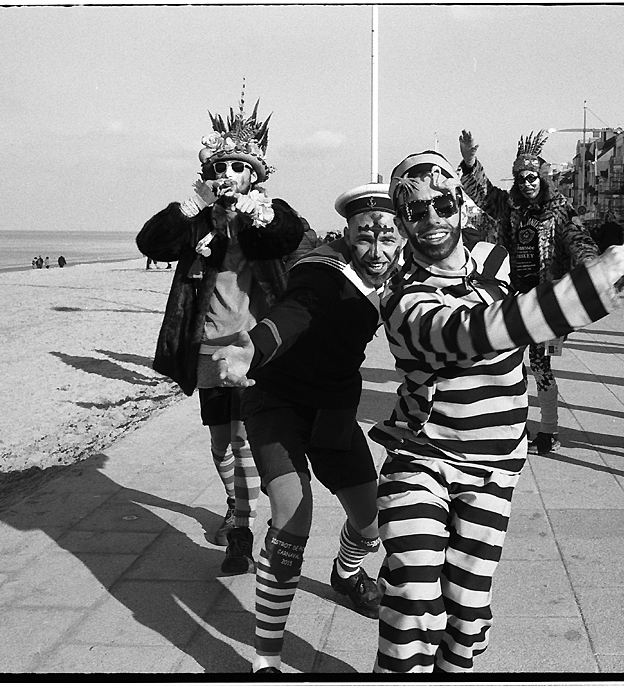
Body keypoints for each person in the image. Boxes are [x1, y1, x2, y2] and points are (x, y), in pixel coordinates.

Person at [370, 150, 624, 673]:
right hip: (421, 455)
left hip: (495, 462)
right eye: (414, 211)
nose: (431, 219)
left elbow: (530, 310)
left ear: (460, 202)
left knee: (468, 611)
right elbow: (472, 333)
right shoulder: (402, 293)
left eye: (442, 203)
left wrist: (595, 283)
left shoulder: (494, 260)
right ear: (401, 219)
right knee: (412, 597)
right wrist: (589, 286)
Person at [210, 183, 403, 674]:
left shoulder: (404, 272)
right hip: (278, 404)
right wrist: (251, 347)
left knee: (374, 523)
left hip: (335, 412)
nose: (376, 250)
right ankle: (266, 658)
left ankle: (346, 573)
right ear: (347, 233)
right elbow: (295, 312)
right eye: (364, 237)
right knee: (293, 524)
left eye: (388, 235)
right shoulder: (323, 268)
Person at [136, 97, 317, 574]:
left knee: (242, 440)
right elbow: (151, 243)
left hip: (251, 348)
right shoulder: (200, 217)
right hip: (205, 348)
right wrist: (193, 204)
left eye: (241, 166)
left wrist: (257, 211)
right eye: (222, 166)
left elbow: (288, 235)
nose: (230, 174)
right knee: (220, 444)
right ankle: (236, 508)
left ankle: (242, 527)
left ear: (254, 175)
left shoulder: (265, 214)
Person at [458, 129, 600, 455]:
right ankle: (515, 423)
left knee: (541, 365)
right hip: (512, 296)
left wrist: (594, 267)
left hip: (546, 301)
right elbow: (483, 193)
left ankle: (549, 429)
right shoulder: (510, 207)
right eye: (521, 179)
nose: (527, 184)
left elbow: (579, 240)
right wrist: (469, 161)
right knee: (508, 363)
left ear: (542, 178)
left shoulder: (559, 209)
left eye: (532, 177)